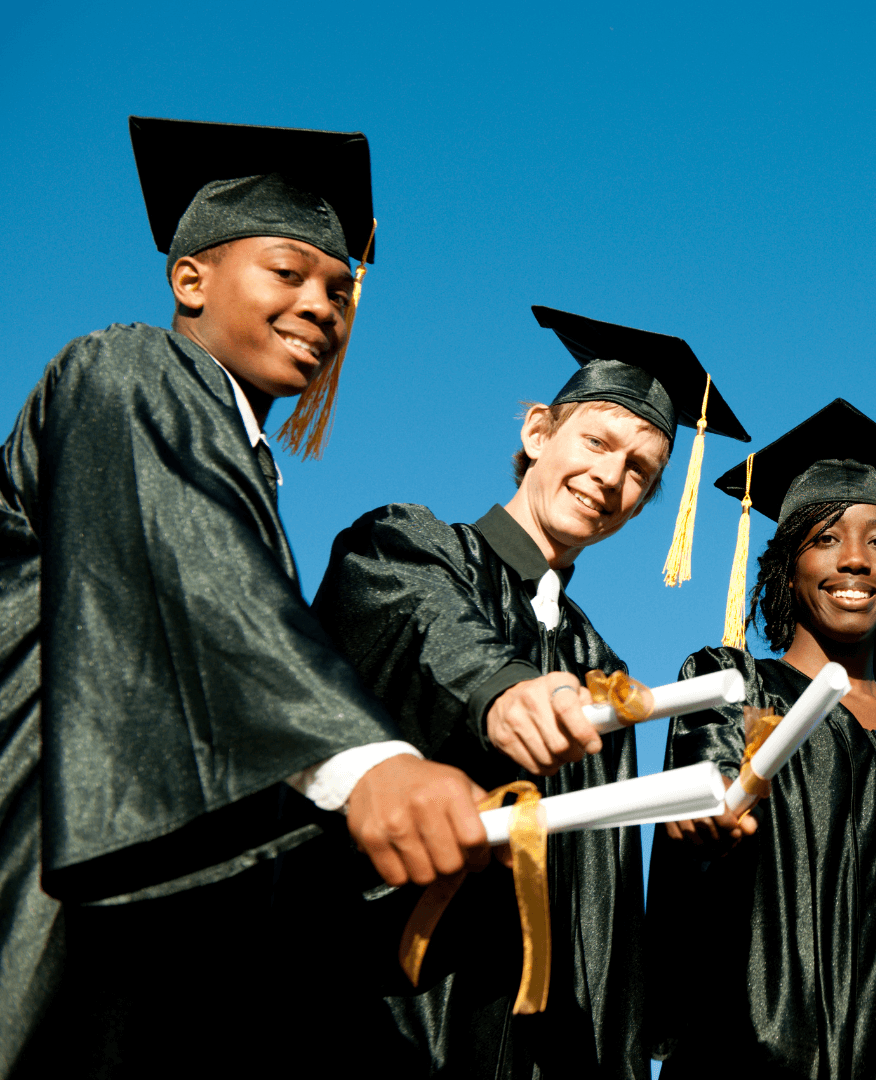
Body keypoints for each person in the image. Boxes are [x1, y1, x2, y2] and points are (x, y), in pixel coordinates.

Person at [7, 116, 489, 1076]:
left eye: (340, 288)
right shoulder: (131, 369)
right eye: (288, 272)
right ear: (191, 279)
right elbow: (196, 590)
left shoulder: (243, 465)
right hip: (56, 869)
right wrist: (363, 763)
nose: (321, 305)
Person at [306, 305, 751, 1077]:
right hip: (398, 1004)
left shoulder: (603, 670)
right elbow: (425, 627)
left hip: (539, 1042)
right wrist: (504, 691)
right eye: (598, 442)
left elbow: (603, 901)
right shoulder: (414, 550)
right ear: (539, 433)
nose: (611, 477)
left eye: (641, 469)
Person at [644, 398, 876, 1078]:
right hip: (755, 1060)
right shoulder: (732, 687)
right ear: (786, 567)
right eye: (824, 539)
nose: (855, 561)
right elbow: (705, 790)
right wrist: (705, 812)